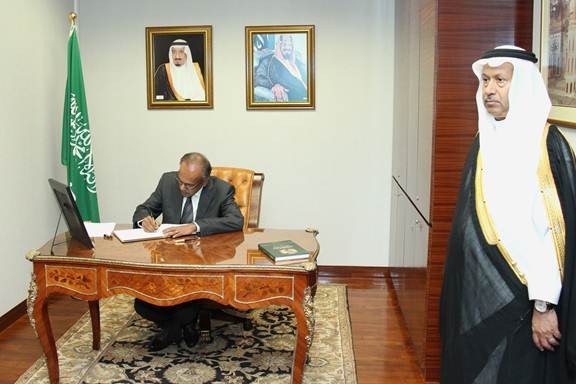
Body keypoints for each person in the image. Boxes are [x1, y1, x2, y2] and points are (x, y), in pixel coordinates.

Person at [440, 46, 576, 383]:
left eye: (500, 80)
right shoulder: (484, 139)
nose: (489, 89)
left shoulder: (547, 146)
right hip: (482, 294)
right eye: (485, 80)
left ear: (523, 85)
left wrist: (543, 307)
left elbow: (552, 236)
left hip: (527, 302)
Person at [132, 152, 244, 351]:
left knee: (189, 301)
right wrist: (145, 219)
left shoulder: (221, 189)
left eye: (189, 185)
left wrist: (195, 226)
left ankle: (171, 331)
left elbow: (236, 221)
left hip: (202, 263)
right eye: (180, 181)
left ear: (205, 181)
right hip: (170, 260)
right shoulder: (167, 181)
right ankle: (183, 326)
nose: (182, 187)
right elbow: (144, 208)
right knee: (141, 303)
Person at [253, 34, 307, 102]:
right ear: (278, 45)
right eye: (284, 44)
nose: (287, 47)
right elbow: (258, 78)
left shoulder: (298, 62)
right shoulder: (268, 60)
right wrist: (274, 85)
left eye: (290, 45)